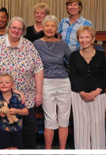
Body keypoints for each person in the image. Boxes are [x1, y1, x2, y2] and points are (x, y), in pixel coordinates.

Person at [0, 17, 44, 149]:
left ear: (23, 31)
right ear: (8, 28)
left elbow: (39, 69)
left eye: (19, 29)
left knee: (27, 129)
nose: (16, 31)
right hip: (2, 97)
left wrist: (39, 93)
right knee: (1, 130)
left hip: (25, 96)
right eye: (14, 27)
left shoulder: (28, 45)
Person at [33, 15, 71, 149]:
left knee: (64, 118)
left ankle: (62, 150)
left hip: (64, 83)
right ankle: (48, 150)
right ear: (42, 27)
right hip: (46, 83)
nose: (50, 28)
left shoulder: (62, 44)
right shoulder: (36, 44)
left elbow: (72, 60)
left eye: (53, 26)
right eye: (47, 26)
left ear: (56, 28)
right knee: (50, 119)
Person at [69, 26, 106, 150]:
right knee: (81, 127)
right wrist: (82, 92)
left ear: (93, 39)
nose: (84, 40)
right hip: (78, 95)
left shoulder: (101, 55)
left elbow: (105, 75)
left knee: (97, 127)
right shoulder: (74, 55)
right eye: (81, 37)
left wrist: (96, 92)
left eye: (87, 37)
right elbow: (72, 76)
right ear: (78, 39)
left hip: (98, 96)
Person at [0, 74, 28, 150]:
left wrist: (17, 111)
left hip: (17, 128)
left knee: (15, 149)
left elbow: (26, 112)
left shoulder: (17, 96)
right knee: (4, 149)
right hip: (3, 128)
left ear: (12, 85)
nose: (4, 84)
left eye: (7, 82)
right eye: (1, 82)